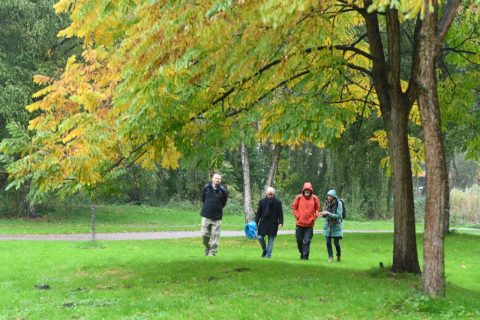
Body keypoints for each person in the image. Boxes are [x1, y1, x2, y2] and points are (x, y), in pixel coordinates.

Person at [200, 173, 229, 256]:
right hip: (206, 215)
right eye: (216, 178)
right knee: (204, 235)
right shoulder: (206, 187)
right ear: (212, 179)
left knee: (215, 237)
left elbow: (224, 202)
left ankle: (212, 254)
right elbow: (203, 199)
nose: (217, 180)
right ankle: (207, 247)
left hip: (217, 217)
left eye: (219, 179)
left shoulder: (223, 190)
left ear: (221, 180)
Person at [292, 182, 321, 260]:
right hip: (299, 224)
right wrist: (297, 216)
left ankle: (305, 258)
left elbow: (318, 210)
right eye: (306, 190)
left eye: (308, 190)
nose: (307, 192)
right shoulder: (299, 197)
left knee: (307, 241)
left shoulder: (315, 198)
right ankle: (302, 252)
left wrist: (313, 218)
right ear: (303, 190)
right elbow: (294, 208)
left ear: (311, 191)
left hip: (309, 225)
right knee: (299, 240)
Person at [255, 187, 284, 258]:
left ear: (273, 193)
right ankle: (265, 250)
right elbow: (258, 213)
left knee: (271, 240)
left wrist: (281, 222)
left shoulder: (278, 202)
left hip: (273, 223)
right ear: (266, 193)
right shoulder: (261, 202)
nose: (270, 195)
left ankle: (268, 255)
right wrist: (256, 222)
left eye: (271, 194)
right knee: (259, 237)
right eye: (269, 194)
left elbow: (280, 213)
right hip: (263, 223)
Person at [319, 189, 343, 262]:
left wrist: (328, 213)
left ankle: (338, 255)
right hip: (328, 226)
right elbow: (326, 214)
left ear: (334, 197)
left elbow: (339, 216)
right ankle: (330, 257)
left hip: (336, 226)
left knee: (336, 243)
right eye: (328, 196)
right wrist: (322, 214)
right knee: (328, 242)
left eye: (330, 196)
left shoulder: (339, 204)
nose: (329, 197)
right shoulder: (327, 203)